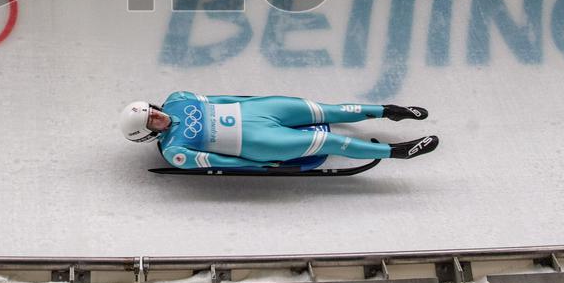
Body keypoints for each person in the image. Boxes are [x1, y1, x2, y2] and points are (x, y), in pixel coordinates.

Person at [118, 92, 438, 170]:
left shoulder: (178, 99)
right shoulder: (175, 151)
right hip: (258, 142)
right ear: (148, 134)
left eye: (153, 111)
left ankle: (389, 112)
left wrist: (260, 100)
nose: (158, 117)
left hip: (258, 110)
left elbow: (226, 98)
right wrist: (259, 165)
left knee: (329, 110)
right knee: (329, 141)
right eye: (151, 121)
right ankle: (396, 151)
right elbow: (220, 163)